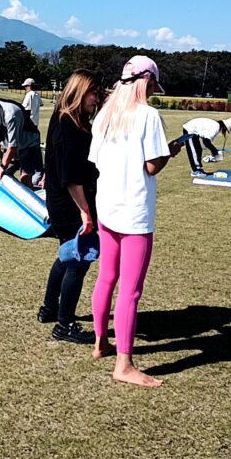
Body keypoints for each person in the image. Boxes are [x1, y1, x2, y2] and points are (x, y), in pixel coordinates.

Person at [88, 55, 181, 388]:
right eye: (154, 84)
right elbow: (152, 167)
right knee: (130, 290)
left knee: (106, 278)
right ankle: (124, 364)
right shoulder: (149, 116)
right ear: (147, 82)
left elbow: (96, 161)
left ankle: (101, 343)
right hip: (134, 213)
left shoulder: (104, 115)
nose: (155, 91)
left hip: (107, 208)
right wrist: (170, 152)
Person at [38, 69, 103, 344]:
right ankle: (65, 324)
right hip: (70, 200)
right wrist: (85, 212)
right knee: (79, 259)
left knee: (66, 254)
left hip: (65, 199)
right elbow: (70, 176)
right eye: (93, 92)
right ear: (79, 92)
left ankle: (49, 309)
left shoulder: (68, 118)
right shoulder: (68, 124)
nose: (96, 98)